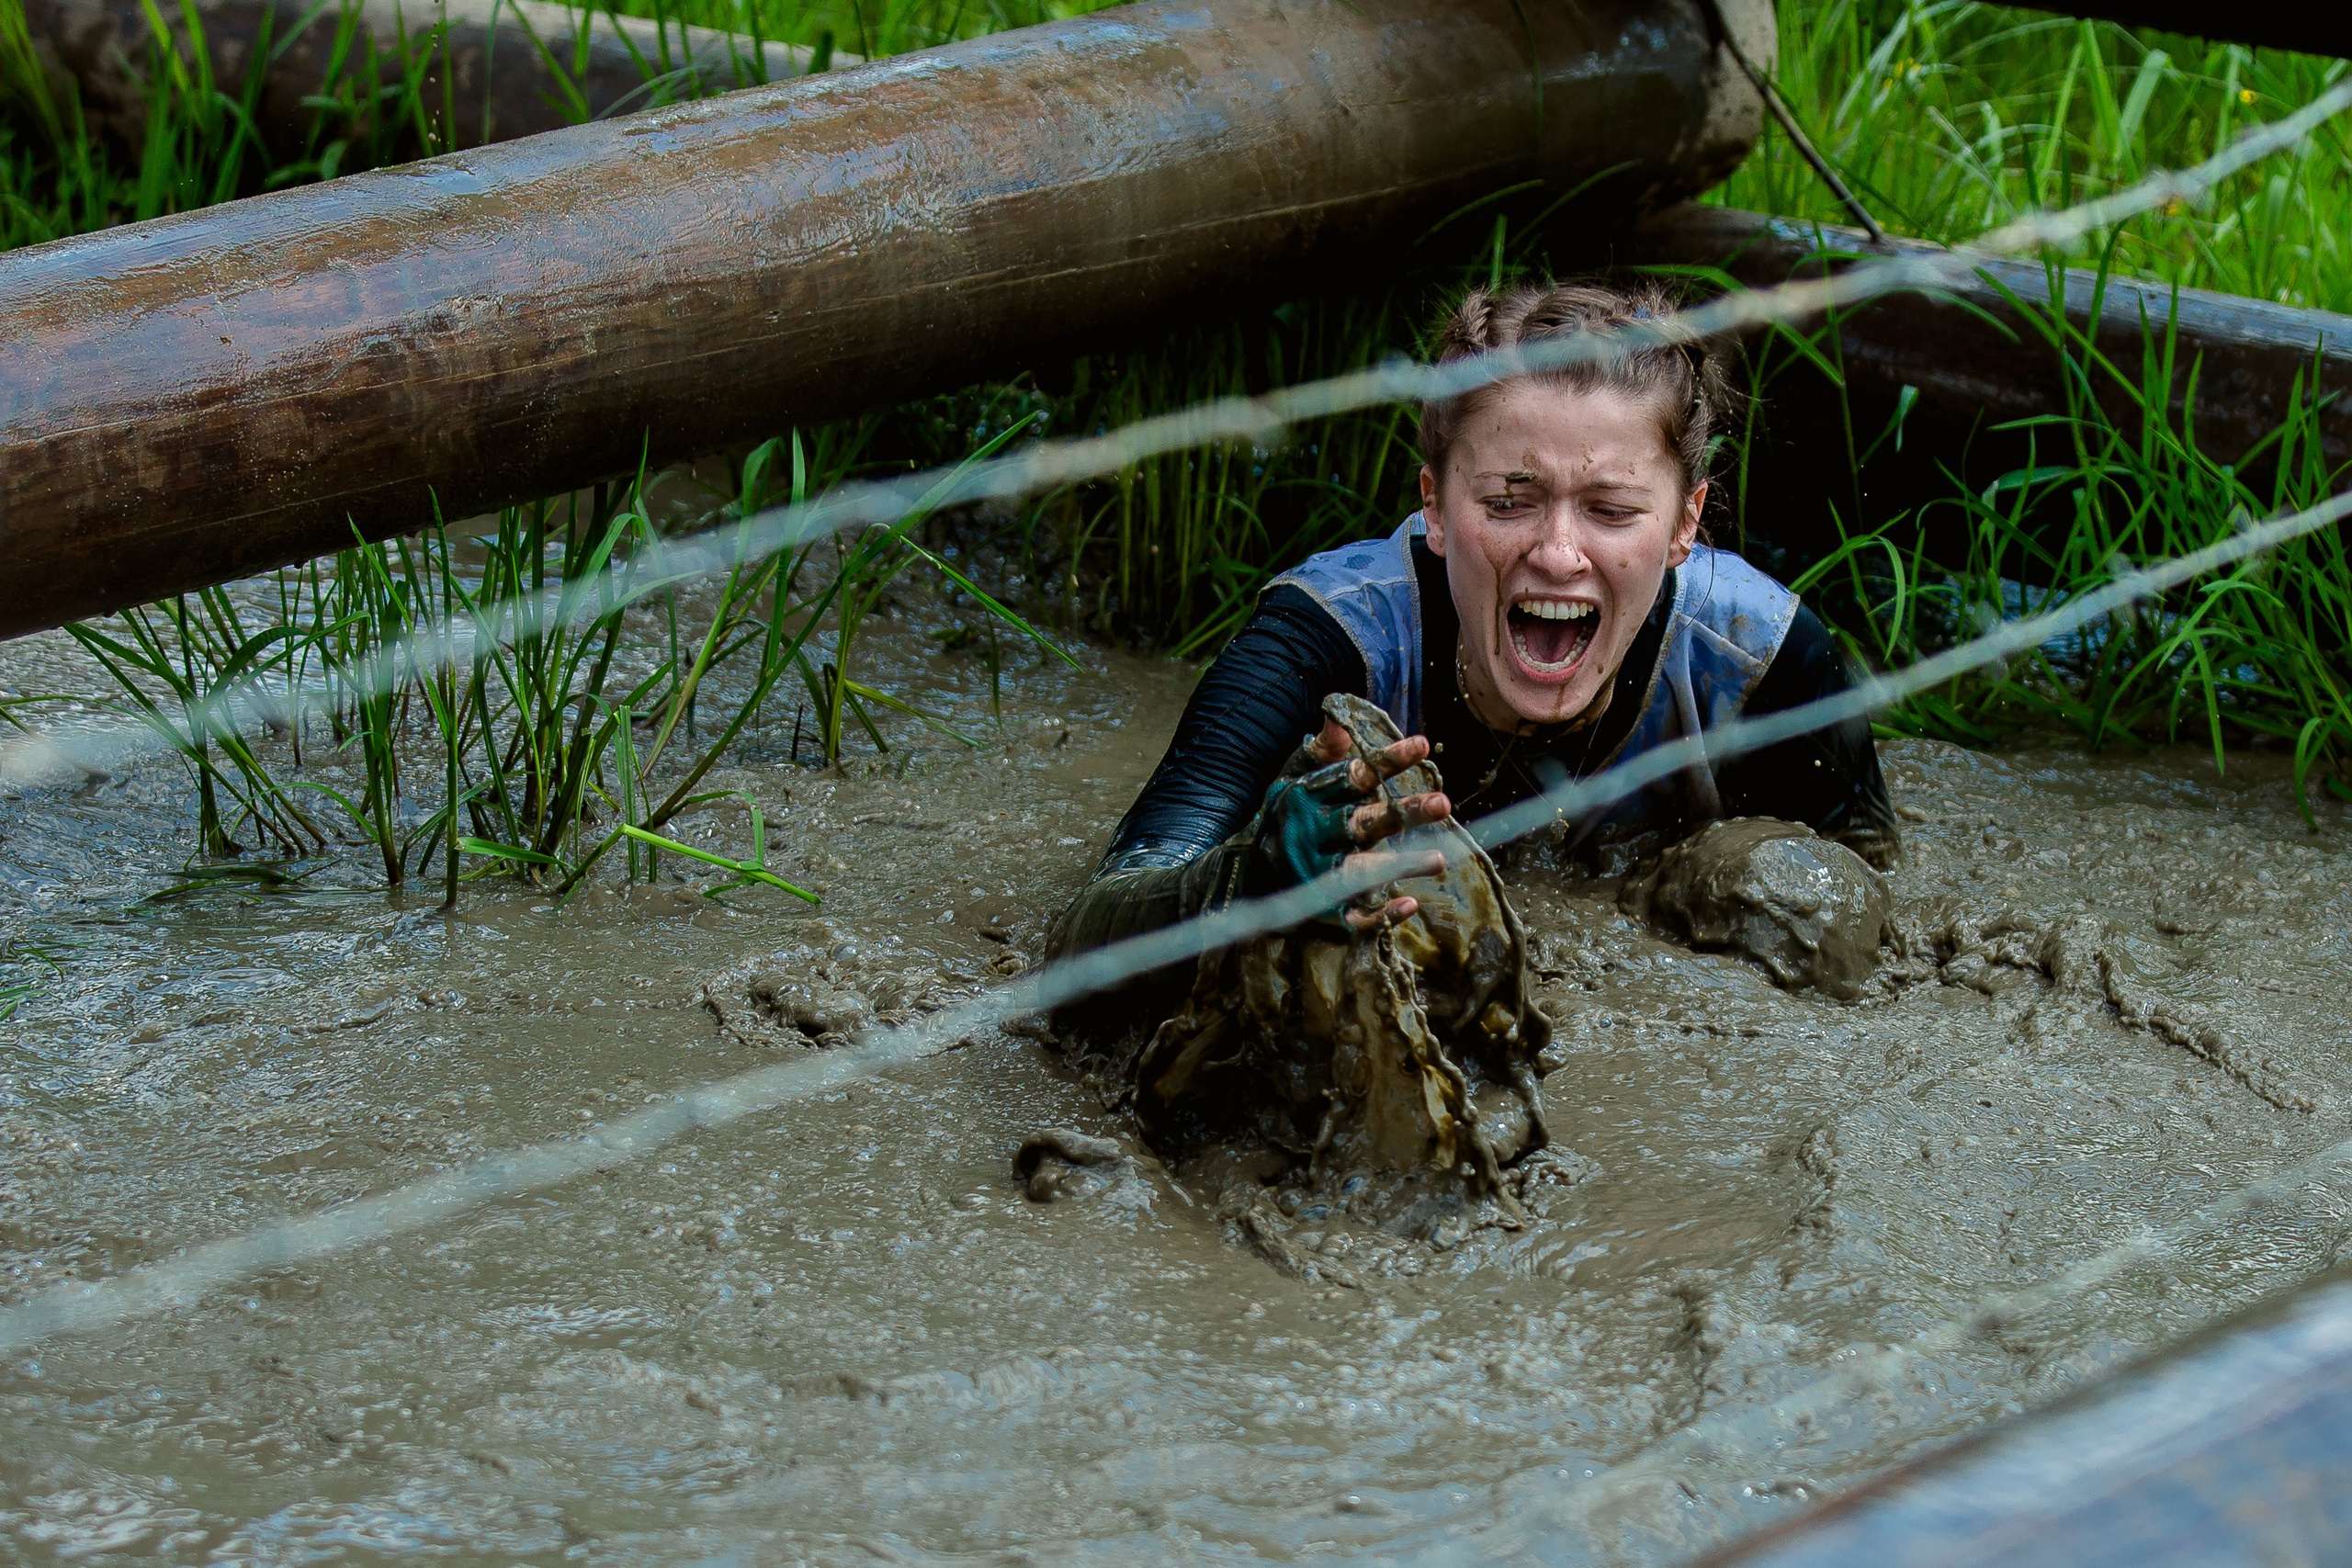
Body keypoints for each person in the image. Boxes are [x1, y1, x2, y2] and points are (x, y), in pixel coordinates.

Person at [1047, 278, 1900, 964]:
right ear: (1436, 506)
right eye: (1508, 500)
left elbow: (1883, 899)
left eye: (1611, 510)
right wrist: (1239, 884)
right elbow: (1085, 934)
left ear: (1685, 523)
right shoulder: (1317, 647)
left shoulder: (1762, 656)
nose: (1559, 554)